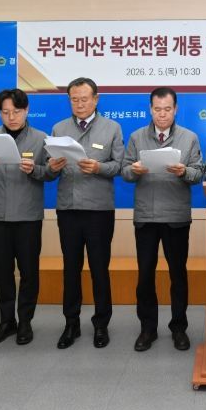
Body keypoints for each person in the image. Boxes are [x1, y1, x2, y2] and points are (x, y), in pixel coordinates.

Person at [0, 88, 56, 345]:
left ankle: (25, 322)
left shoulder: (41, 138)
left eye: (16, 112)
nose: (11, 117)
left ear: (26, 110)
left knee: (29, 272)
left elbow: (51, 172)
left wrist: (35, 170)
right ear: (0, 113)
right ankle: (7, 321)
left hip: (28, 216)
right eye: (6, 112)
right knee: (2, 271)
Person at [122, 87, 203, 352]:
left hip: (176, 216)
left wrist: (184, 171)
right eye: (157, 109)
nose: (162, 114)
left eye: (167, 109)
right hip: (146, 216)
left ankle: (179, 328)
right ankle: (148, 328)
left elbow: (198, 173)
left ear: (175, 109)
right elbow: (124, 171)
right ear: (150, 109)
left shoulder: (189, 137)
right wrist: (134, 170)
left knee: (178, 275)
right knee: (145, 275)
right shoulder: (136, 137)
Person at [48, 77, 124, 349]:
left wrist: (99, 168)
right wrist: (53, 167)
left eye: (84, 99)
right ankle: (71, 324)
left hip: (98, 210)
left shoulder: (112, 127)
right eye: (74, 99)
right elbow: (48, 170)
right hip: (68, 209)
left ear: (96, 99)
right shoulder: (59, 128)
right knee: (71, 269)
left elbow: (120, 166)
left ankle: (101, 324)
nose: (79, 104)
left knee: (99, 269)